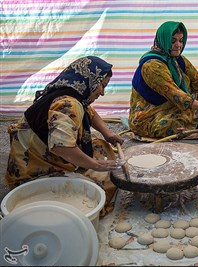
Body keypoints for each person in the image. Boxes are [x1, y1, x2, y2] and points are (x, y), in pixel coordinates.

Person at [5, 56, 124, 216]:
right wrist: (95, 165)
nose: (102, 92)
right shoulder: (68, 104)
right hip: (31, 170)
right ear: (90, 79)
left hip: (42, 152)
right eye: (102, 86)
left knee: (101, 146)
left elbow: (90, 111)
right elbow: (61, 147)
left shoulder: (70, 91)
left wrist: (107, 133)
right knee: (99, 188)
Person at [129, 21, 198, 138]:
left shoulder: (178, 59)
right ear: (163, 40)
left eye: (181, 40)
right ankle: (186, 129)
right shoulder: (151, 65)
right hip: (151, 113)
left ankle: (189, 123)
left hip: (173, 104)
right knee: (170, 125)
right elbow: (173, 93)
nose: (178, 45)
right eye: (173, 41)